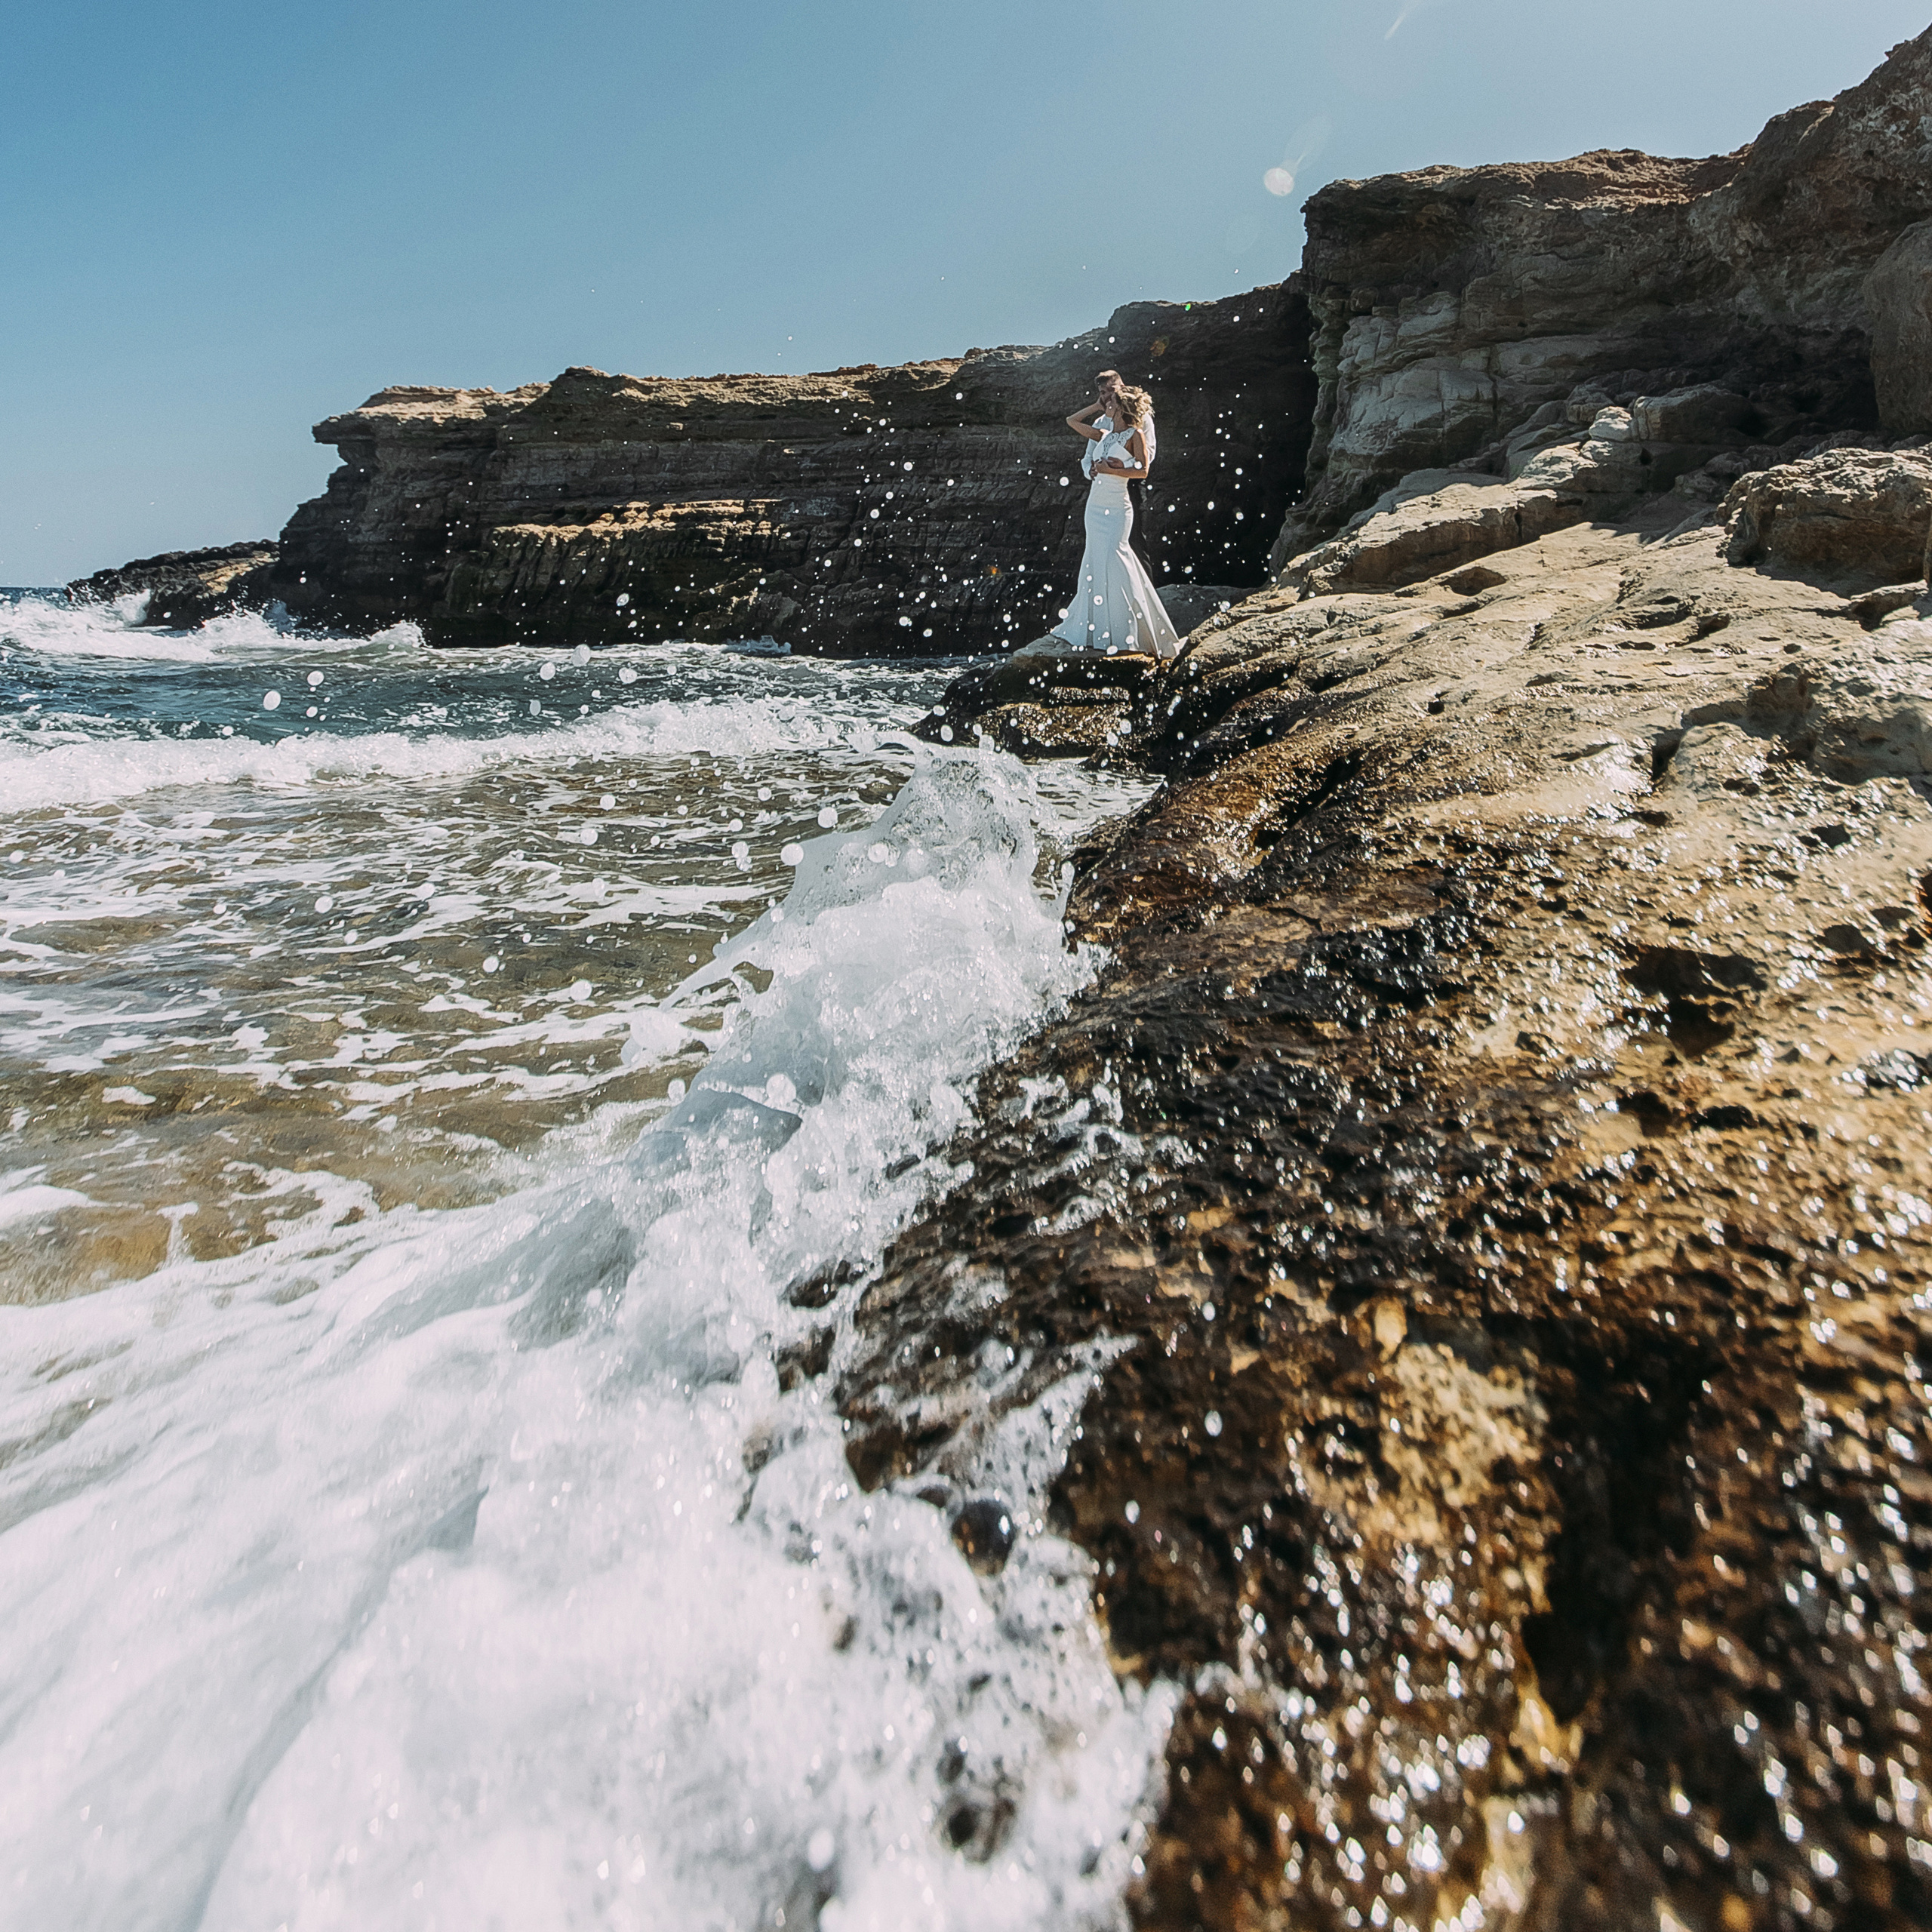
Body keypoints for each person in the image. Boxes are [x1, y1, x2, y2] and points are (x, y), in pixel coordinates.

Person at [1052, 376, 1180, 659]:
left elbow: (1143, 469)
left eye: (1111, 399)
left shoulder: (1136, 433)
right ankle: (1096, 628)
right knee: (1096, 558)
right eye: (1105, 398)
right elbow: (1072, 421)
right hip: (1095, 504)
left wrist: (1113, 470)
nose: (1107, 402)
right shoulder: (1104, 433)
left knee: (1119, 555)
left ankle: (1131, 627)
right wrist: (1096, 407)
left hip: (1120, 500)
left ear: (1122, 405)